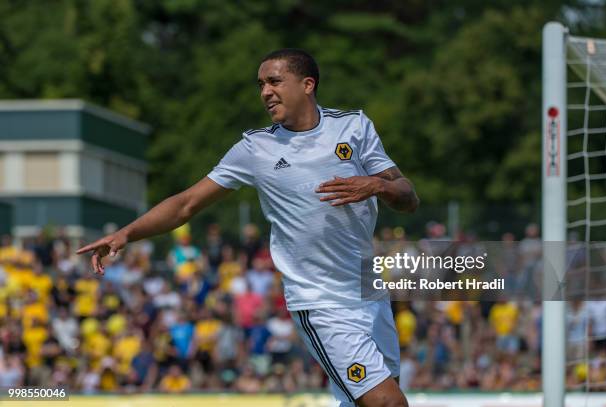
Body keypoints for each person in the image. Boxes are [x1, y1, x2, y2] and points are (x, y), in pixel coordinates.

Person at [77, 48, 418, 407]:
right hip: (320, 302)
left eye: (274, 81)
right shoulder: (256, 148)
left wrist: (377, 185)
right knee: (387, 403)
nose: (265, 92)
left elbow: (408, 196)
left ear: (307, 84)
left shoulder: (354, 126)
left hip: (369, 292)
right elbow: (186, 203)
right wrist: (126, 233)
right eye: (260, 85)